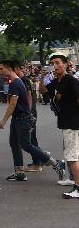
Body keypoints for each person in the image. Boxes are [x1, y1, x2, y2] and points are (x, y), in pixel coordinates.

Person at [0, 59, 63, 182]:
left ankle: (55, 163)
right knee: (14, 144)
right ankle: (19, 172)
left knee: (26, 145)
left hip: (22, 118)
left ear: (9, 69)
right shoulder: (16, 82)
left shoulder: (15, 83)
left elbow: (12, 104)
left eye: (1, 69)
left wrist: (4, 120)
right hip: (20, 118)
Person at [47, 54, 79, 198]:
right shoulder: (57, 81)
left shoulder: (71, 81)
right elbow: (43, 90)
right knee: (73, 155)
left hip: (72, 123)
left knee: (72, 157)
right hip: (67, 122)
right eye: (53, 63)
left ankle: (78, 188)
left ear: (65, 64)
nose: (55, 65)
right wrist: (43, 75)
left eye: (58, 62)